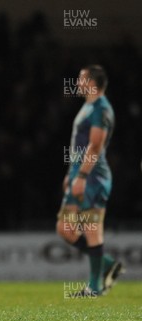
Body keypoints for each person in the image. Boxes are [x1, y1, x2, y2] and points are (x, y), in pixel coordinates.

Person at [55, 65, 124, 297]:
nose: (77, 82)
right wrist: (71, 174)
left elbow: (95, 145)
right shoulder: (89, 106)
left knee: (91, 228)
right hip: (81, 174)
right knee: (65, 228)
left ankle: (95, 287)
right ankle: (107, 264)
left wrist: (82, 176)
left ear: (92, 83)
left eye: (81, 78)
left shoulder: (101, 109)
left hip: (93, 175)